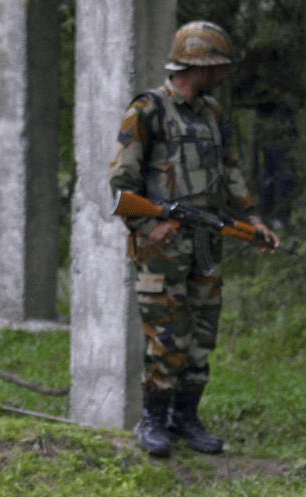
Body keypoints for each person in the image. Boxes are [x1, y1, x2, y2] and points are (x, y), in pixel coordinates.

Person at [108, 20, 279, 457]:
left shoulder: (213, 114)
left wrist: (251, 219)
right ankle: (153, 421)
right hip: (161, 248)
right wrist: (150, 226)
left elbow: (232, 170)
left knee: (202, 336)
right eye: (217, 66)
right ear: (197, 66)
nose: (222, 73)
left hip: (205, 241)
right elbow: (121, 184)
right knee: (168, 337)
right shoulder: (146, 110)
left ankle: (186, 418)